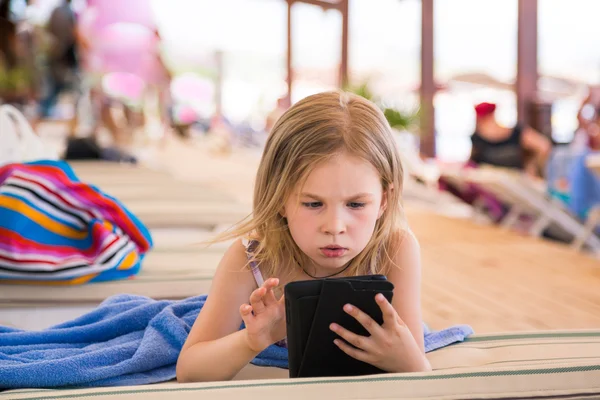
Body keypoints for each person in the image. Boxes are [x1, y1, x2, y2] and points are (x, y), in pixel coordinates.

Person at [176, 91, 431, 383]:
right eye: (313, 204)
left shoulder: (395, 248)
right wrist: (252, 340)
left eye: (356, 204)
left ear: (384, 200)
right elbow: (190, 369)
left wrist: (409, 362)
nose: (335, 226)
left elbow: (418, 366)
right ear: (280, 198)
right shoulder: (253, 257)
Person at [470, 102, 551, 177]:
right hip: (490, 183)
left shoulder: (517, 132)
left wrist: (532, 167)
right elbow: (473, 163)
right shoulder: (477, 138)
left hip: (515, 181)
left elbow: (544, 146)